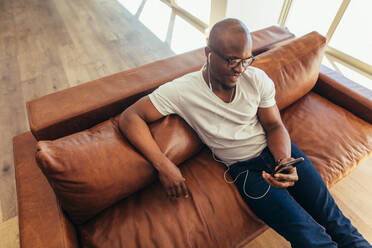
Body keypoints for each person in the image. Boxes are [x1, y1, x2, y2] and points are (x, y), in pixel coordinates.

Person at [119, 18, 371, 247]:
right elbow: (131, 117)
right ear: (209, 53)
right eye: (232, 60)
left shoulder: (256, 78)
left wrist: (284, 160)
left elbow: (274, 126)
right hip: (247, 171)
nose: (240, 68)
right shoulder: (182, 91)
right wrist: (164, 165)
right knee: (311, 239)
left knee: (339, 225)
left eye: (246, 60)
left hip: (280, 152)